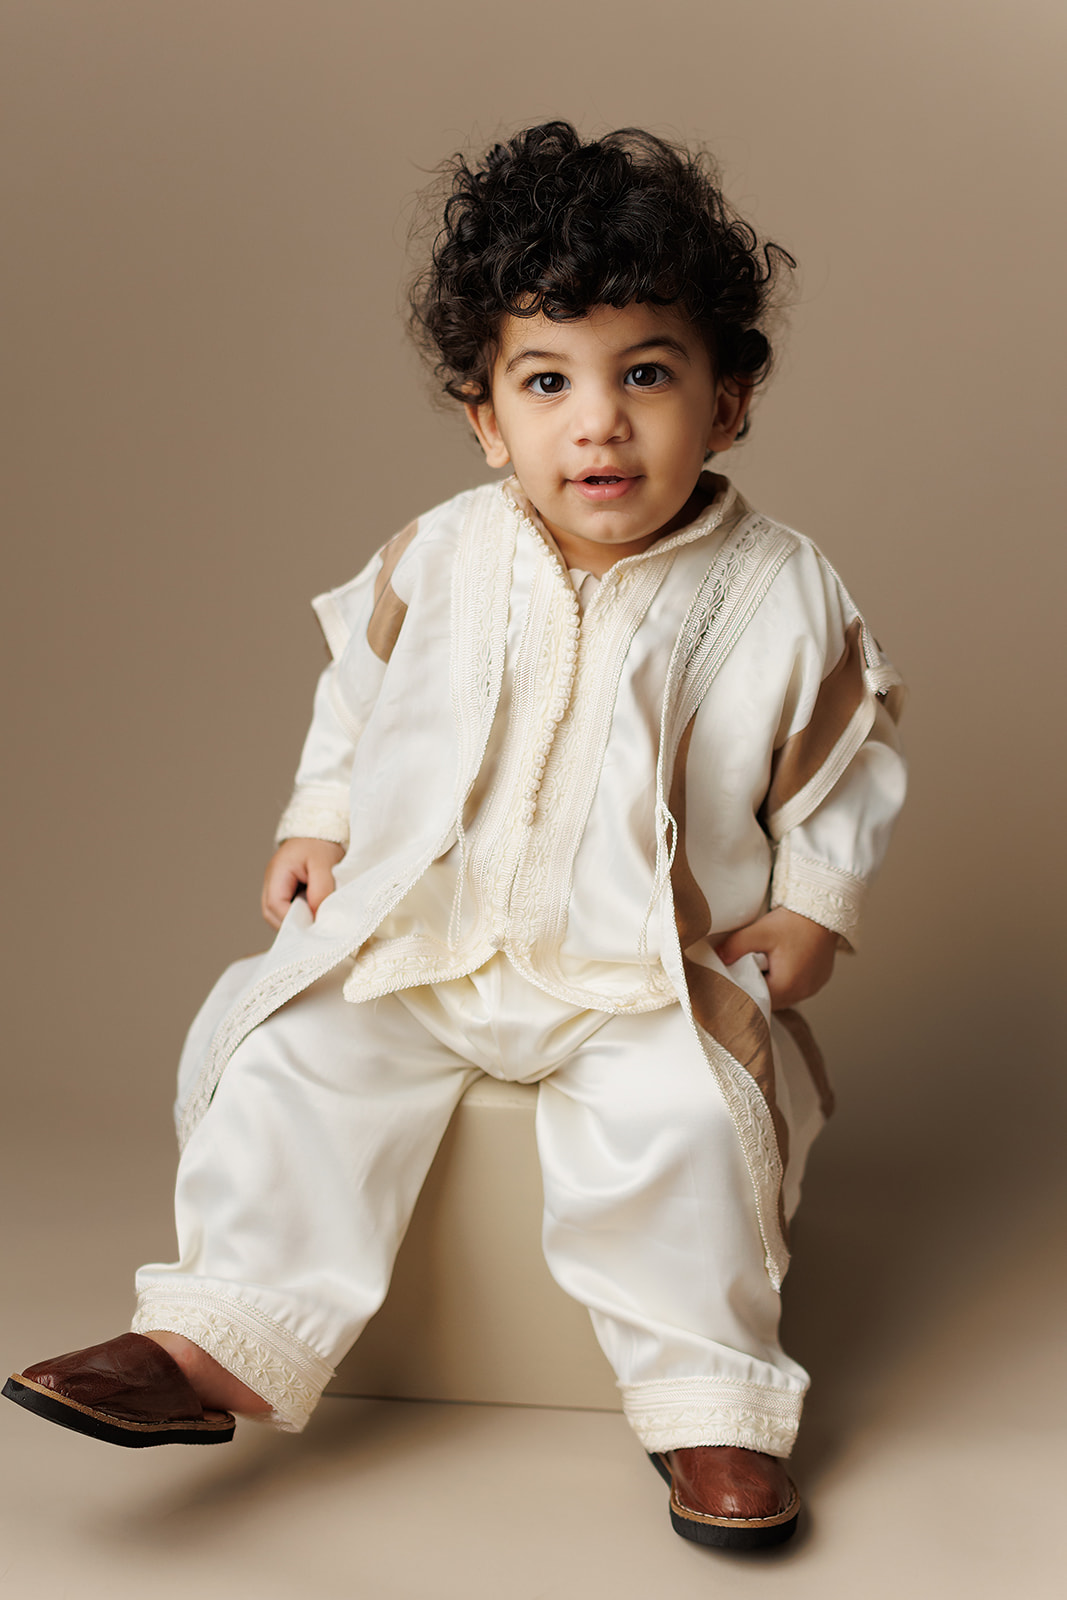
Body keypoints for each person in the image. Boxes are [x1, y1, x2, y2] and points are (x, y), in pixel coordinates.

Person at [4, 122, 905, 1550]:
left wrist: (811, 902)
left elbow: (839, 758)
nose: (596, 424)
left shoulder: (780, 592)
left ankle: (710, 1406)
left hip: (637, 971)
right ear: (487, 417)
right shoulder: (435, 557)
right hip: (430, 936)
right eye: (546, 383)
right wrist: (319, 817)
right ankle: (213, 1342)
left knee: (676, 1134)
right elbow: (360, 707)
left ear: (727, 401)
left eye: (647, 376)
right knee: (293, 1057)